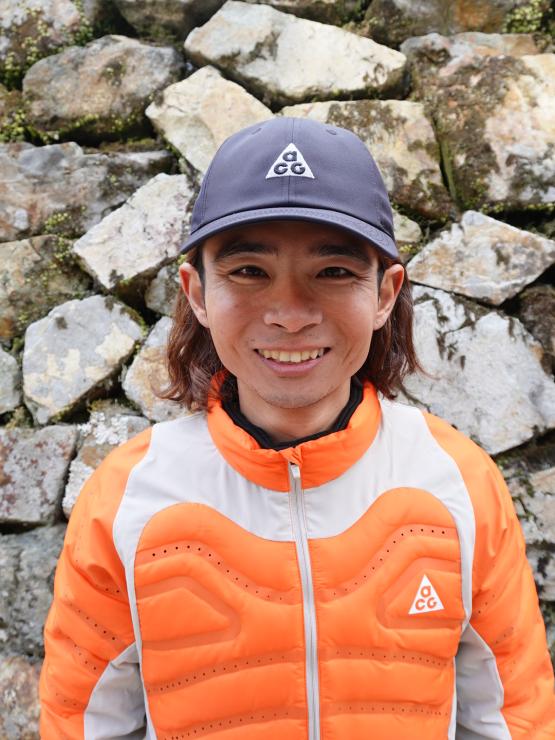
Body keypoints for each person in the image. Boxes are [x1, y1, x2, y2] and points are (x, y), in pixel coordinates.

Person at [40, 117, 555, 739]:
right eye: (248, 271)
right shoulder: (125, 496)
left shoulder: (459, 480)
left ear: (385, 293)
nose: (289, 314)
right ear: (197, 293)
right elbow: (82, 723)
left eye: (333, 271)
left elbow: (513, 718)